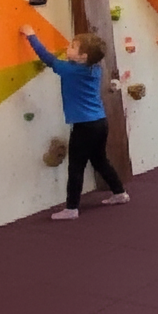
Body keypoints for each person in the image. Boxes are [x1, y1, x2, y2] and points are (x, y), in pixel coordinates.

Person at [19, 25, 128, 220]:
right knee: (100, 160)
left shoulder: (71, 71)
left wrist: (31, 36)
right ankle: (119, 193)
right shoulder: (95, 68)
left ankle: (71, 208)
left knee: (76, 166)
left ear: (83, 57)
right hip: (99, 122)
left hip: (84, 126)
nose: (67, 48)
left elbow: (49, 59)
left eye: (72, 46)